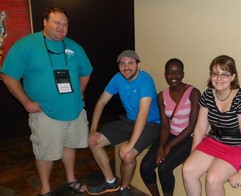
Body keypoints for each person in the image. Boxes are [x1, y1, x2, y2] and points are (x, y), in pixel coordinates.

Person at [0, 7, 93, 196]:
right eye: (56, 22)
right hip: (45, 113)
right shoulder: (26, 45)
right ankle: (45, 188)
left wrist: (81, 92)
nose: (61, 27)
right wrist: (26, 102)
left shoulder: (74, 47)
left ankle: (71, 178)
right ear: (45, 22)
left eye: (65, 24)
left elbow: (86, 71)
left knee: (70, 145)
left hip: (74, 111)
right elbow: (8, 76)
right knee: (45, 153)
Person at [182, 55, 241, 196]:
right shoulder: (207, 95)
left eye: (225, 74)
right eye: (215, 74)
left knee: (213, 179)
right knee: (188, 170)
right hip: (214, 141)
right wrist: (193, 154)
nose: (219, 78)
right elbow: (200, 128)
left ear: (233, 77)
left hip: (238, 146)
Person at [87, 50, 161, 195]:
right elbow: (101, 103)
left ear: (138, 65)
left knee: (128, 155)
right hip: (129, 121)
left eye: (130, 63)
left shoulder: (145, 80)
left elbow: (143, 114)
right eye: (122, 64)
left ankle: (124, 187)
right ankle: (110, 182)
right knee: (93, 142)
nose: (126, 67)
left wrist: (130, 145)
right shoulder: (117, 78)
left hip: (151, 124)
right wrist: (93, 129)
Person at [140, 58, 201, 196]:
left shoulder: (193, 92)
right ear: (165, 74)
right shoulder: (162, 96)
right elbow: (165, 126)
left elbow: (192, 126)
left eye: (177, 72)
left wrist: (168, 146)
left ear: (183, 74)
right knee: (146, 166)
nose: (173, 76)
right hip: (170, 134)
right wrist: (161, 146)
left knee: (164, 167)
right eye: (170, 73)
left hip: (188, 137)